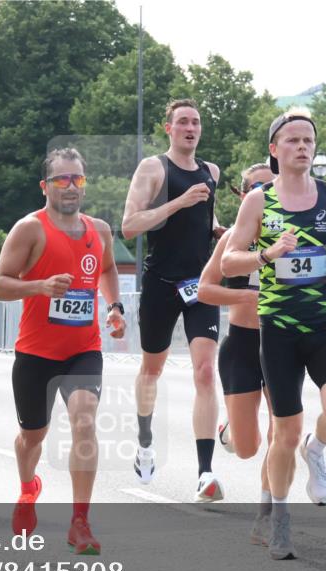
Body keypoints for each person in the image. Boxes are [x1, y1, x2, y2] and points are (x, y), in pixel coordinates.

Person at [222, 108, 326, 560]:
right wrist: (267, 255)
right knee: (283, 433)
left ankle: (317, 449)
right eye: (293, 140)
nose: (302, 146)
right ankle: (278, 518)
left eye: (308, 140)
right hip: (278, 329)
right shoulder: (259, 201)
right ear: (274, 149)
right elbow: (229, 261)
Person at [0, 147, 126, 555]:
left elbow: (106, 269)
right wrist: (40, 286)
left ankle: (79, 521)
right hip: (36, 352)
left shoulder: (98, 229)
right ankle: (28, 489)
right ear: (45, 186)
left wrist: (115, 307)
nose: (70, 187)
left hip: (84, 348)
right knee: (33, 436)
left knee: (84, 421)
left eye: (78, 179)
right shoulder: (29, 229)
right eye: (62, 180)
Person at [121, 98, 225, 499]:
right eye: (182, 121)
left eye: (196, 122)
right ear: (169, 128)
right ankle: (145, 437)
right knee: (152, 369)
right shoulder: (153, 168)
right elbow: (130, 226)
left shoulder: (210, 172)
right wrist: (179, 201)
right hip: (161, 284)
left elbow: (206, 218)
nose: (190, 127)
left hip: (200, 284)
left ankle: (205, 472)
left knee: (204, 371)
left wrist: (220, 232)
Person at [198, 162, 276, 540]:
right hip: (242, 345)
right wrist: (247, 295)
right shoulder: (232, 239)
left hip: (281, 345)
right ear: (244, 195)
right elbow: (205, 289)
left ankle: (268, 513)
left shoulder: (294, 236)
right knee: (248, 448)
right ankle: (229, 429)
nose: (264, 192)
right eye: (256, 187)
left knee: (283, 434)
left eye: (270, 186)